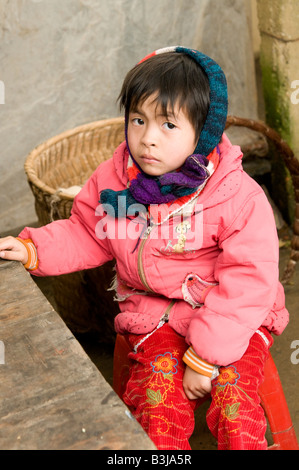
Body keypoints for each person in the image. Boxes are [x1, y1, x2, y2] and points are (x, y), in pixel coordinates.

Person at [0, 46, 289, 450]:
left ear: (203, 132)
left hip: (233, 319)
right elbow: (87, 231)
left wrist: (206, 357)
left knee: (235, 406)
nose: (147, 139)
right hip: (156, 317)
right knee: (157, 407)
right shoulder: (117, 182)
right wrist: (34, 249)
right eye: (138, 120)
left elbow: (249, 283)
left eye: (168, 125)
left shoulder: (236, 196)